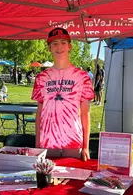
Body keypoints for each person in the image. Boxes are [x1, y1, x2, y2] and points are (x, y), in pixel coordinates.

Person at [32, 27, 94, 161]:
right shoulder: (42, 77)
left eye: (63, 43)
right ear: (49, 48)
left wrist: (86, 147)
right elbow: (39, 112)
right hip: (47, 142)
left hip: (73, 142)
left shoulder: (82, 77)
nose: (59, 47)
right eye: (54, 43)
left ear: (70, 46)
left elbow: (85, 113)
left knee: (71, 180)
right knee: (48, 180)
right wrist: (37, 144)